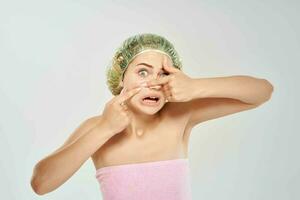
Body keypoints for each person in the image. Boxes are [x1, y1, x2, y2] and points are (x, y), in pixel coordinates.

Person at [30, 33, 274, 199]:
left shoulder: (180, 116)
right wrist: (105, 128)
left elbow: (262, 92)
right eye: (143, 72)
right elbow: (41, 183)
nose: (154, 83)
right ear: (121, 77)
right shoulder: (97, 127)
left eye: (163, 74)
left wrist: (196, 87)